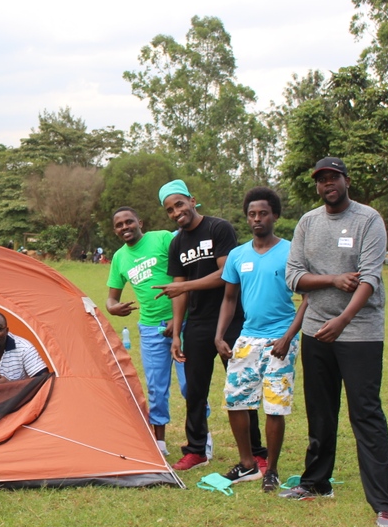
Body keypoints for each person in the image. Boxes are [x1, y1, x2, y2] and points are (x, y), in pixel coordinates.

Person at [280, 157, 388, 527]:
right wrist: (332, 279)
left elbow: (370, 278)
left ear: (347, 181)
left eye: (334, 177)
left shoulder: (368, 219)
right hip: (317, 330)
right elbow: (293, 277)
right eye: (322, 180)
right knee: (320, 410)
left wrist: (343, 320)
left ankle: (384, 504)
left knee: (365, 413)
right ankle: (316, 482)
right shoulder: (308, 223)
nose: (328, 184)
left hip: (360, 331)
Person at [153, 179, 267, 472]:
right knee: (195, 390)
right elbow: (179, 291)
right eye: (170, 210)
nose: (177, 212)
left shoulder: (218, 228)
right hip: (199, 323)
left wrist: (186, 285)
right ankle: (196, 450)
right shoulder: (177, 242)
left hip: (231, 320)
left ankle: (257, 452)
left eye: (179, 204)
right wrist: (177, 332)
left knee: (241, 386)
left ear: (192, 200)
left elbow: (226, 274)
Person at [215, 187, 308, 492]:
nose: (257, 219)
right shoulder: (238, 255)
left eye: (263, 213)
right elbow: (229, 299)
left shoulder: (292, 251)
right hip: (247, 338)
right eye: (252, 214)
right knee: (235, 400)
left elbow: (308, 297)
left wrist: (288, 337)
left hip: (281, 340)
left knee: (275, 407)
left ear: (275, 216)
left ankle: (273, 470)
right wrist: (220, 335)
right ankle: (247, 464)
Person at [105, 206, 178, 455]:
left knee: (192, 385)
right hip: (150, 328)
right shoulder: (119, 258)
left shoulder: (163, 238)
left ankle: (202, 441)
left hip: (183, 322)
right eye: (119, 225)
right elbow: (110, 299)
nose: (125, 227)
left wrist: (178, 319)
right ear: (115, 230)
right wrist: (114, 309)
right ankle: (160, 444)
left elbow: (187, 273)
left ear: (140, 222)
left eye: (129, 222)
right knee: (157, 387)